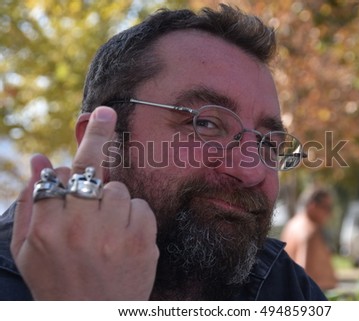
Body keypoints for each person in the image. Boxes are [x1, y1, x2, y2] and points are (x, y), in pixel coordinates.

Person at [0, 4, 326, 300]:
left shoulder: (281, 285)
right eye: (207, 123)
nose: (250, 170)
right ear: (104, 143)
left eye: (268, 144)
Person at [280, 188, 338, 290]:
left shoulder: (292, 224)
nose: (330, 213)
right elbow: (303, 274)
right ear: (313, 206)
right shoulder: (309, 231)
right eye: (327, 208)